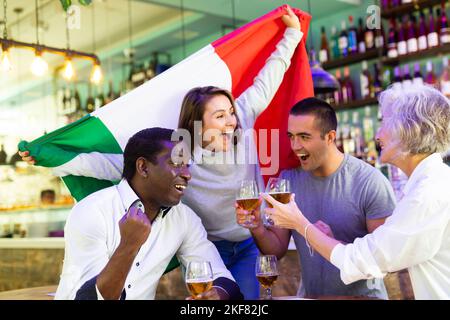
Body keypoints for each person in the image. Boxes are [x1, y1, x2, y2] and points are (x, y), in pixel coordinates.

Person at [21, 6, 303, 300]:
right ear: (197, 124)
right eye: (219, 116)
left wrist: (292, 34)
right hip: (205, 241)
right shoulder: (179, 153)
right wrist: (50, 156)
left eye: (230, 112)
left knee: (243, 301)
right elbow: (108, 164)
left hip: (246, 242)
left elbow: (268, 80)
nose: (230, 121)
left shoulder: (241, 121)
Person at [262, 85, 450, 300]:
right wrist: (327, 239)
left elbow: (367, 261)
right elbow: (373, 254)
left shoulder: (427, 194)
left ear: (409, 131)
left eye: (385, 124)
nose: (379, 134)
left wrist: (300, 224)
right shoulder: (432, 184)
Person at [55, 128, 243, 300]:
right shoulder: (92, 211)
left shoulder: (183, 218)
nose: (187, 174)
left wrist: (217, 295)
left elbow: (224, 279)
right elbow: (90, 297)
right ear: (143, 167)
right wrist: (129, 245)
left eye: (187, 166)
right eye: (177, 164)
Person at [237, 97, 397, 299]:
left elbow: (383, 262)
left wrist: (330, 241)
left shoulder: (369, 182)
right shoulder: (288, 181)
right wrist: (257, 227)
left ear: (330, 137)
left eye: (304, 137)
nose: (295, 145)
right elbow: (276, 250)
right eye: (291, 136)